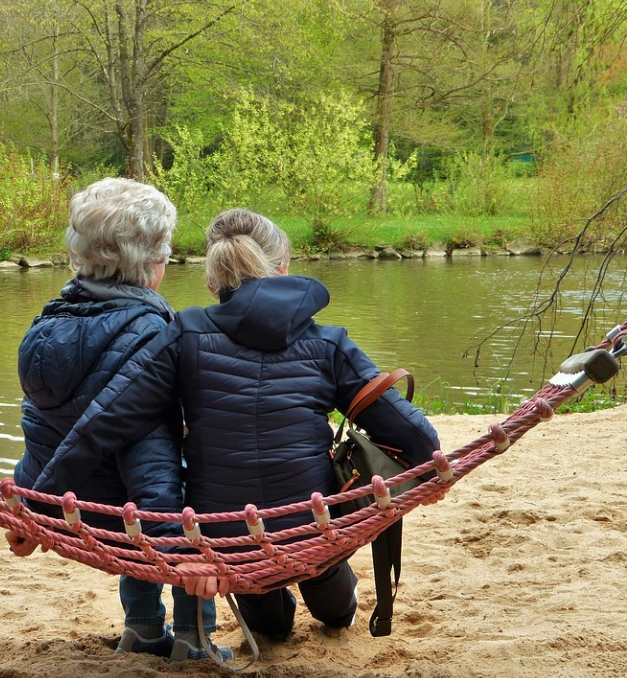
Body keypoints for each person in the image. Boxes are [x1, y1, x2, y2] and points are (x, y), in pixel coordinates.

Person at [34, 208, 441, 640]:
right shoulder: (329, 343)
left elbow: (107, 422)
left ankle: (282, 600)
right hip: (314, 525)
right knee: (331, 595)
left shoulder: (183, 333)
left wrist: (38, 505)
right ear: (283, 268)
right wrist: (431, 471)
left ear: (213, 282)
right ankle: (330, 593)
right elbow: (412, 433)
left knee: (271, 627)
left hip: (228, 540)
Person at [4, 178, 230, 663]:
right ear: (150, 263)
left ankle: (143, 628)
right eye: (165, 253)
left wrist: (30, 504)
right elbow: (153, 463)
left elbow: (42, 428)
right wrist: (180, 554)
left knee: (135, 494)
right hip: (125, 513)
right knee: (199, 489)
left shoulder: (46, 323)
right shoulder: (153, 334)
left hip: (65, 503)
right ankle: (193, 639)